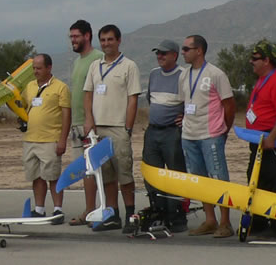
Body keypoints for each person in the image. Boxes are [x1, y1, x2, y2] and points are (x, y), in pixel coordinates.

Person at [83, 24, 141, 229]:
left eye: (110, 39)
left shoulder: (129, 66)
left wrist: (127, 127)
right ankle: (112, 215)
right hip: (98, 129)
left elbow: (133, 99)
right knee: (106, 175)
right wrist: (89, 120)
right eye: (103, 40)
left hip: (118, 127)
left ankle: (131, 216)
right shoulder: (94, 66)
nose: (106, 43)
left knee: (124, 173)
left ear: (118, 40)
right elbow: (88, 94)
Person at [179, 34, 237, 238]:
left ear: (199, 51)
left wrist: (223, 130)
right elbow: (185, 102)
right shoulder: (184, 75)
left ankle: (225, 222)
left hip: (211, 135)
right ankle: (210, 220)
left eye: (186, 49)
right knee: (199, 180)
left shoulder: (216, 74)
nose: (183, 53)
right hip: (189, 135)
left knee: (218, 178)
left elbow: (229, 105)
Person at [245, 39, 276, 239]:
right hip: (258, 140)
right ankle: (258, 222)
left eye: (255, 58)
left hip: (274, 140)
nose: (251, 61)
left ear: (267, 61)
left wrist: (272, 138)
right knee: (255, 180)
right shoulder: (261, 80)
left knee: (275, 182)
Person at [141, 39, 189, 233]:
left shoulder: (183, 75)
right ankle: (158, 211)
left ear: (174, 55)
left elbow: (191, 101)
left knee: (175, 173)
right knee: (152, 173)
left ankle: (176, 215)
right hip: (153, 131)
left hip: (172, 132)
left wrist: (184, 117)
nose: (159, 56)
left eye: (164, 53)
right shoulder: (153, 74)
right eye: (157, 53)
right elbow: (150, 99)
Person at [21, 54, 70, 223]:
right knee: (36, 176)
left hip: (50, 139)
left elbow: (66, 115)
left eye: (39, 68)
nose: (36, 71)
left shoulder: (61, 87)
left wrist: (62, 140)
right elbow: (22, 108)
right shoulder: (29, 86)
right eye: (34, 68)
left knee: (53, 176)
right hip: (30, 139)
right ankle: (39, 209)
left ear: (49, 67)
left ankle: (58, 210)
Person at [67, 19, 103, 226]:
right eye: (71, 37)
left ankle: (95, 210)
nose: (73, 40)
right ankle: (90, 208)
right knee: (85, 170)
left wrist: (92, 119)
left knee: (95, 168)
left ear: (87, 36)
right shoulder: (78, 61)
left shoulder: (97, 58)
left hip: (91, 124)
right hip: (77, 123)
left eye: (76, 36)